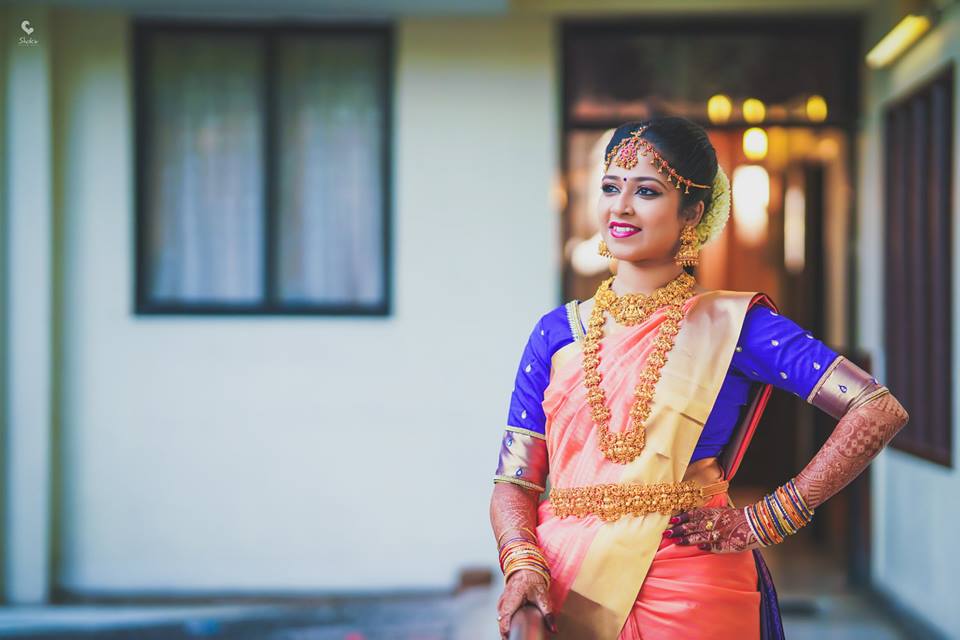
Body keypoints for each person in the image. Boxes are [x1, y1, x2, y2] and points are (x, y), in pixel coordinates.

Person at [488, 117, 910, 640]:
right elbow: (515, 481)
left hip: (691, 590)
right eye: (610, 186)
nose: (621, 206)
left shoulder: (735, 327)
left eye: (647, 190)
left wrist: (768, 518)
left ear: (692, 212)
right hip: (567, 581)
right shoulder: (556, 334)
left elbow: (877, 408)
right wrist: (523, 564)